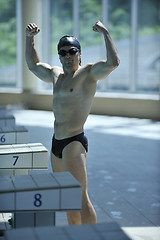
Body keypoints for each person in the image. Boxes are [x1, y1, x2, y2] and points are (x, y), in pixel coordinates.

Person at [25, 20, 120, 225]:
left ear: (80, 53)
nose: (68, 56)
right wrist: (29, 39)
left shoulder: (88, 73)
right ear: (59, 56)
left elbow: (113, 63)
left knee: (80, 197)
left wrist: (105, 33)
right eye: (63, 53)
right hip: (56, 143)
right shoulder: (55, 75)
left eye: (72, 51)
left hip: (74, 143)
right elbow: (33, 65)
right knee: (67, 199)